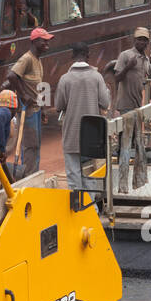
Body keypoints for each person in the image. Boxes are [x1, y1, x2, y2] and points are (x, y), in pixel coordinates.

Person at [56, 43, 110, 191]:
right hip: (91, 135)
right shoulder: (97, 77)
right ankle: (91, 209)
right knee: (89, 174)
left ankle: (76, 208)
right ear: (88, 55)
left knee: (73, 176)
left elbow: (59, 105)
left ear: (72, 57)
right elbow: (105, 102)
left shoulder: (65, 79)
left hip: (71, 135)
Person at [107, 28, 151, 195]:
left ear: (147, 43)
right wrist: (128, 66)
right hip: (125, 104)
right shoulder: (126, 56)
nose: (141, 42)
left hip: (137, 105)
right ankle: (122, 180)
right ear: (134, 41)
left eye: (144, 40)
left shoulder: (146, 60)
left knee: (134, 140)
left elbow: (145, 82)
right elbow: (117, 78)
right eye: (139, 40)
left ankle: (133, 175)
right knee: (124, 141)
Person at [4, 28, 54, 176]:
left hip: (36, 109)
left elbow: (39, 87)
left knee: (36, 145)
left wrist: (43, 108)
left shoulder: (38, 60)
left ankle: (33, 174)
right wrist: (24, 94)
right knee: (30, 146)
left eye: (47, 41)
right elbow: (12, 75)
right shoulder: (27, 59)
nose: (47, 44)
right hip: (28, 110)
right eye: (44, 41)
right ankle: (29, 175)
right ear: (34, 41)